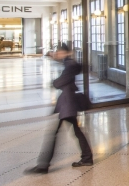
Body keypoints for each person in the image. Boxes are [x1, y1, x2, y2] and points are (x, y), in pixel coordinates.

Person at [25, 43, 93, 174]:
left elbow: (60, 82)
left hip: (68, 104)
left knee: (54, 134)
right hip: (67, 103)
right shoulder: (69, 62)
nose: (58, 54)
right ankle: (86, 157)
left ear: (65, 52)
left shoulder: (70, 65)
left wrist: (55, 82)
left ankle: (43, 165)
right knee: (76, 131)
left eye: (59, 52)